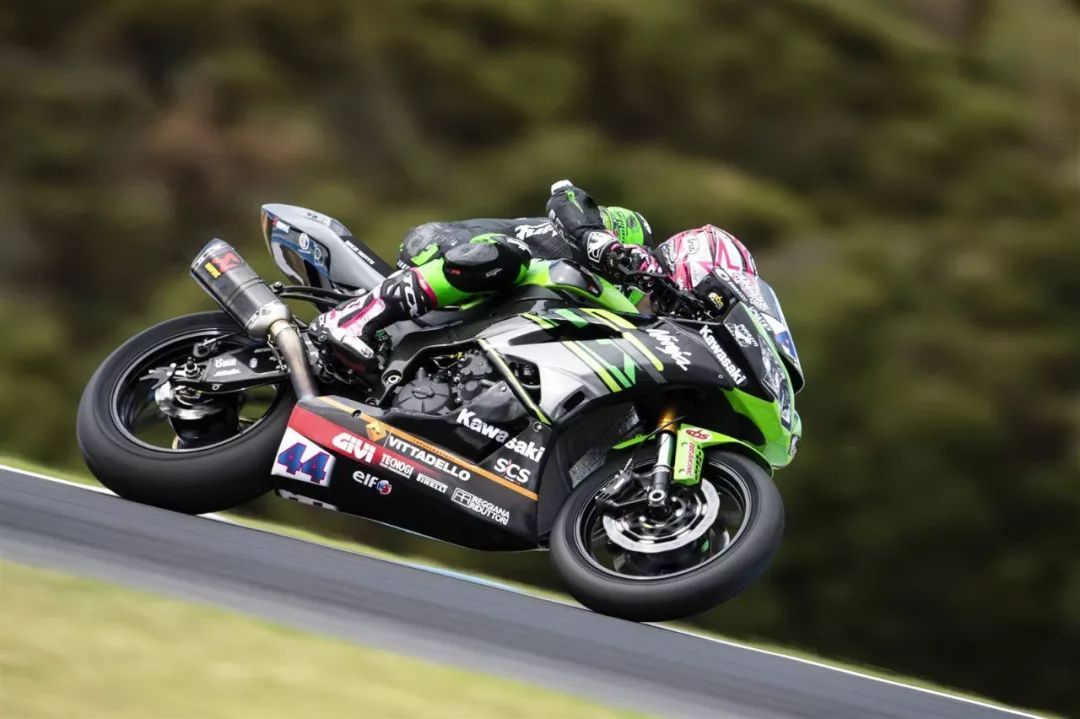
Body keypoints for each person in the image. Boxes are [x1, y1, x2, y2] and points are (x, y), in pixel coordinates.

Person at [310, 180, 663, 372]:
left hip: (487, 303)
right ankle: (352, 319)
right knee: (511, 257)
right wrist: (601, 241)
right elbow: (564, 193)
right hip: (454, 246)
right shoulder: (596, 234)